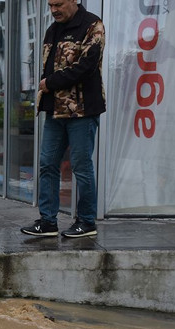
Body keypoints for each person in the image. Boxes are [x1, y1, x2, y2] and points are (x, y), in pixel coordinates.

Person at [20, 0, 105, 238]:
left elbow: (86, 67)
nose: (54, 10)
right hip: (55, 111)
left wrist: (50, 83)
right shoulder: (52, 29)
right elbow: (48, 67)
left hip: (82, 110)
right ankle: (48, 222)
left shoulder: (93, 25)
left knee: (81, 166)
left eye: (58, 4)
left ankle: (87, 222)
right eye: (50, 5)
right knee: (47, 164)